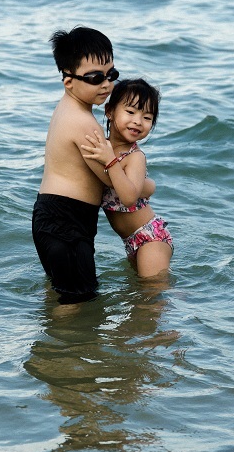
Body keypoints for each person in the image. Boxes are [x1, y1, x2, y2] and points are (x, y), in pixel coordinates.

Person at [33, 27, 119, 304]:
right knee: (77, 302)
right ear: (68, 80)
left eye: (111, 74)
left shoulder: (69, 109)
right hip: (66, 220)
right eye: (95, 78)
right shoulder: (83, 123)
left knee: (64, 293)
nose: (105, 84)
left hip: (54, 216)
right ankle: (65, 346)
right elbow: (109, 178)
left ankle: (56, 344)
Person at [80, 79, 173, 278]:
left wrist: (110, 161)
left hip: (151, 237)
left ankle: (189, 305)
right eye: (130, 112)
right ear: (109, 111)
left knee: (152, 294)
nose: (138, 121)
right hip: (130, 241)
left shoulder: (134, 157)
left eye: (147, 117)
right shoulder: (103, 148)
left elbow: (129, 197)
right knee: (142, 296)